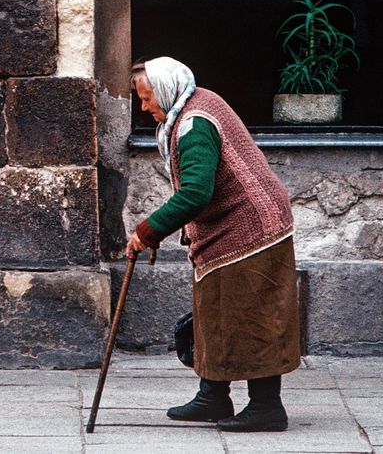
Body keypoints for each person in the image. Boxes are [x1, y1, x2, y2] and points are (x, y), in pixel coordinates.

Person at [127, 56, 300, 433]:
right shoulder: (194, 101)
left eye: (146, 98)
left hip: (252, 228)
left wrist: (146, 231)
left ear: (167, 90)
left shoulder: (193, 124)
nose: (144, 107)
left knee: (254, 316)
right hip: (233, 225)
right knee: (217, 311)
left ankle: (267, 406)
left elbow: (194, 193)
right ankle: (213, 395)